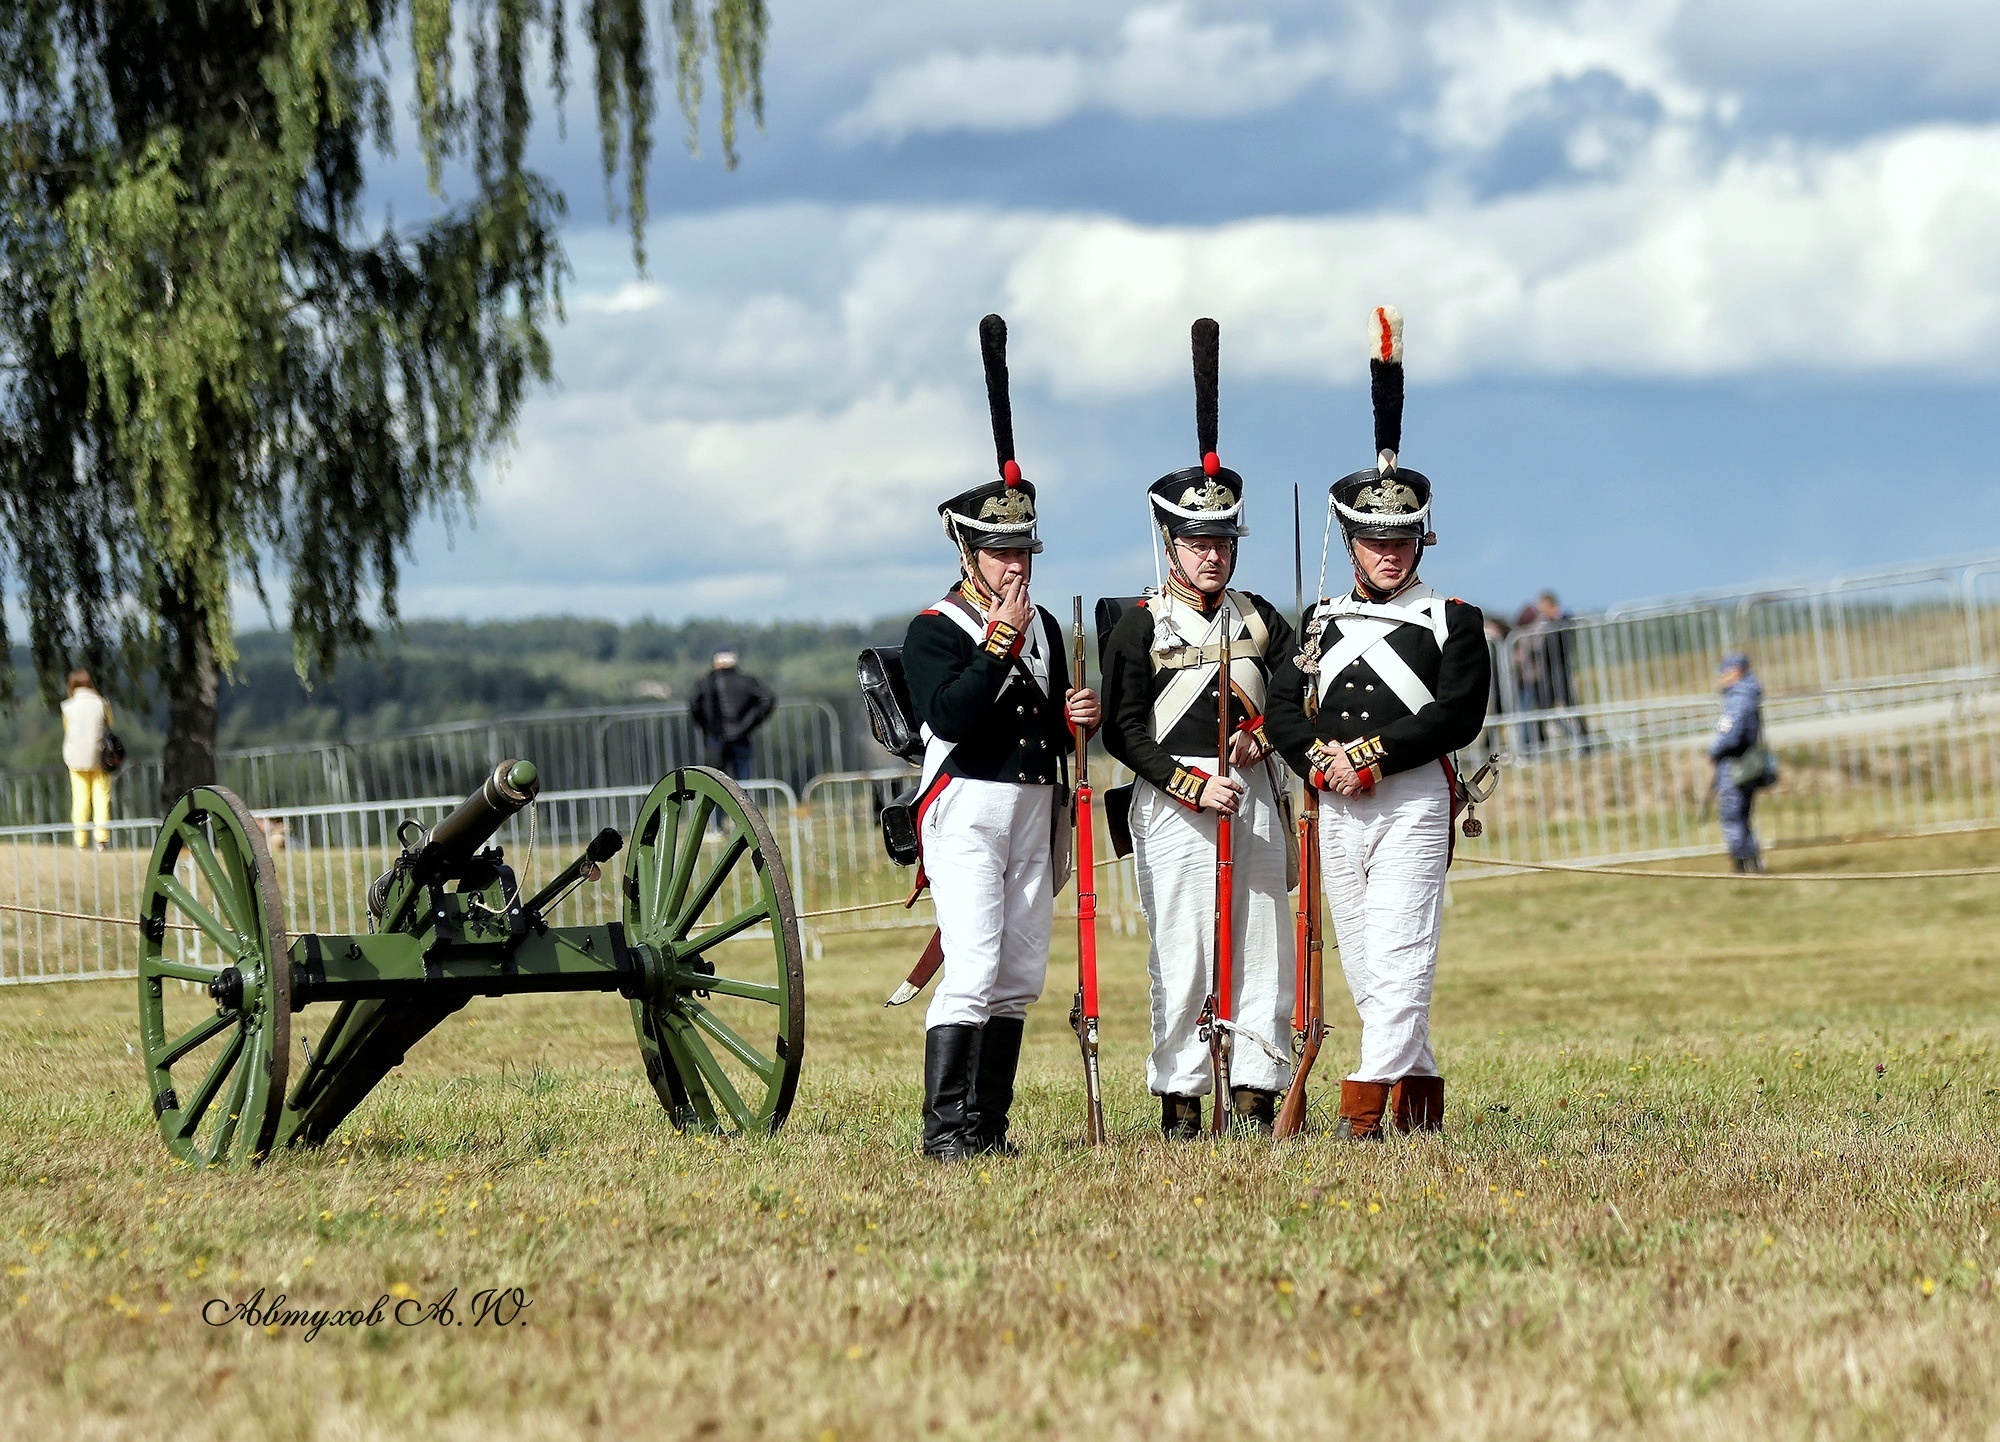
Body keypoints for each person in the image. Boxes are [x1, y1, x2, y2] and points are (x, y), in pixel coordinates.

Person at [1267, 306, 1490, 1141]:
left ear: (1420, 542)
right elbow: (1285, 708)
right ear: (1352, 539)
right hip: (1334, 798)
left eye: (1400, 539)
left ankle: (1364, 1108)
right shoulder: (1319, 617)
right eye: (1372, 538)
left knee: (1402, 950)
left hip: (1409, 800)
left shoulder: (1453, 620)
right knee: (1367, 962)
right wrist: (1316, 758)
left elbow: (1457, 712)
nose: (1387, 553)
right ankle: (1419, 1091)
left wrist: (1370, 754)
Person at [900, 314, 1100, 1161]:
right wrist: (995, 644)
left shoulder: (1049, 625)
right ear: (969, 553)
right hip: (967, 804)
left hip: (1034, 807)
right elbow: (948, 716)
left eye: (1023, 550)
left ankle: (988, 1128)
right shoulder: (937, 627)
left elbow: (1036, 722)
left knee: (1018, 977)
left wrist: (1072, 720)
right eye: (1000, 553)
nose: (1016, 567)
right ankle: (945, 1134)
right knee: (974, 966)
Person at [1099, 318, 1297, 1139]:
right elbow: (1121, 729)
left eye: (1223, 541)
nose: (1213, 556)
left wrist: (1264, 742)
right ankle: (1180, 1099)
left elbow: (1297, 696)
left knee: (1263, 950)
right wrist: (1187, 781)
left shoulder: (1264, 618)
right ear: (1171, 544)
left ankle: (1256, 1093)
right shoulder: (1138, 624)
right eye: (1198, 542)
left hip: (1249, 795)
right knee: (1181, 954)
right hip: (1174, 801)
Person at [1709, 651, 1767, 872]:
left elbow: (1730, 734)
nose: (1720, 678)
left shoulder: (1739, 698)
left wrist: (1714, 751)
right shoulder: (1748, 695)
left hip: (1735, 765)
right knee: (1743, 816)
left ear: (1735, 672)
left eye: (1723, 673)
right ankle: (1752, 862)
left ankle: (1743, 865)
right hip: (1745, 765)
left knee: (1732, 816)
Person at [687, 648, 776, 782]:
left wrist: (706, 726)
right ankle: (741, 803)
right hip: (741, 736)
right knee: (742, 784)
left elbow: (694, 704)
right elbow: (768, 699)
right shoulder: (747, 681)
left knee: (715, 782)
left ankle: (719, 804)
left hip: (714, 737)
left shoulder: (705, 683)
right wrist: (749, 723)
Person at [60, 669, 114, 850]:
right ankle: (101, 839)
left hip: (76, 758)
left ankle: (81, 841)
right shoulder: (102, 703)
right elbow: (110, 724)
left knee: (80, 799)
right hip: (101, 757)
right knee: (101, 797)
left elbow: (67, 729)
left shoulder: (67, 706)